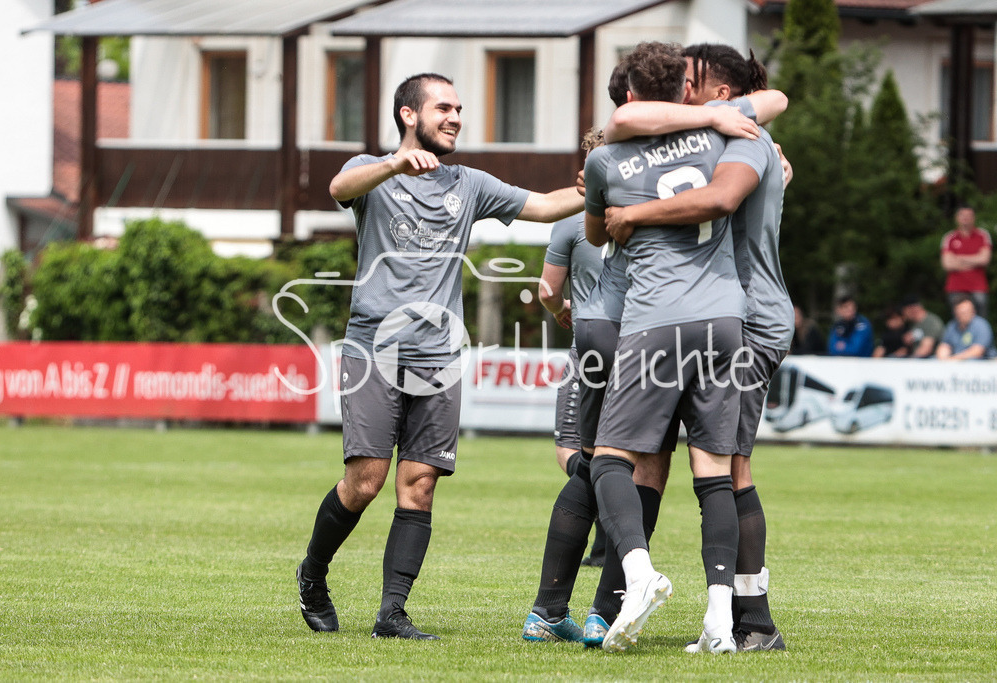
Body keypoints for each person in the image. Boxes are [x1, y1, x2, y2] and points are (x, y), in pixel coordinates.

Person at [296, 72, 584, 641]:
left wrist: (609, 186)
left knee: (420, 481)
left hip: (439, 354)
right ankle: (313, 574)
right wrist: (393, 166)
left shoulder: (468, 183)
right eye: (444, 108)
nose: (455, 117)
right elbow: (338, 188)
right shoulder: (370, 171)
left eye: (459, 109)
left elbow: (548, 206)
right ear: (409, 114)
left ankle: (391, 614)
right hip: (373, 346)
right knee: (365, 481)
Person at [522, 57, 769, 648]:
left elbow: (590, 241)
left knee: (599, 463)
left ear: (628, 96)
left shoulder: (604, 160)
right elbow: (774, 103)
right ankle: (716, 619)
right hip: (724, 319)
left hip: (635, 321)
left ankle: (577, 599)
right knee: (708, 471)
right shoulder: (722, 139)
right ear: (687, 90)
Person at [602, 42, 792, 653]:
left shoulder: (742, 137)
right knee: (680, 460)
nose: (679, 89)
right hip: (720, 311)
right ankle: (631, 602)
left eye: (691, 80)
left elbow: (719, 200)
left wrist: (635, 216)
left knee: (731, 466)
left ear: (719, 93)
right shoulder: (716, 129)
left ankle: (752, 619)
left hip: (747, 312)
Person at [538, 128, 609, 568]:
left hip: (589, 343)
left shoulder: (572, 221)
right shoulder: (653, 211)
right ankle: (614, 541)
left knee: (572, 446)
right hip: (646, 342)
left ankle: (600, 510)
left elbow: (547, 288)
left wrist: (559, 308)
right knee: (628, 449)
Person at [941, 206, 991, 317]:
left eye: (969, 216)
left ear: (974, 218)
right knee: (959, 321)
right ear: (957, 218)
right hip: (956, 287)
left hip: (978, 287)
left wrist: (959, 258)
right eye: (963, 215)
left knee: (981, 320)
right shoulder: (950, 237)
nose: (966, 218)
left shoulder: (982, 235)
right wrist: (974, 260)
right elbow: (947, 264)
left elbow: (984, 259)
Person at [936, 295, 997, 360]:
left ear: (973, 311)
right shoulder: (952, 325)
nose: (962, 314)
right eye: (960, 312)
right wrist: (943, 358)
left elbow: (977, 352)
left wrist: (953, 359)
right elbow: (945, 346)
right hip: (957, 365)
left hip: (982, 366)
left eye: (965, 311)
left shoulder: (982, 325)